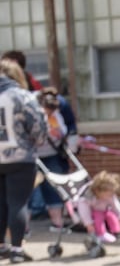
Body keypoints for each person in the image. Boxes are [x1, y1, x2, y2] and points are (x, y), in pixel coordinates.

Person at [0, 57, 47, 263]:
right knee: (17, 203)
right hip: (19, 156)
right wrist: (37, 141)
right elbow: (38, 127)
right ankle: (17, 249)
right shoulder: (22, 96)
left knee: (0, 203)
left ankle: (1, 245)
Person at [31, 86, 78, 231]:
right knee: (27, 190)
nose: (49, 114)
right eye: (47, 111)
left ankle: (57, 223)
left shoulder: (58, 111)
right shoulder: (31, 110)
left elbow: (67, 128)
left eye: (52, 111)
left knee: (53, 188)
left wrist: (63, 135)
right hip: (32, 155)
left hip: (52, 154)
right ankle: (22, 228)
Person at [85, 171, 120, 245]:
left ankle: (116, 232)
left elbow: (116, 206)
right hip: (93, 212)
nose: (110, 196)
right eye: (108, 194)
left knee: (112, 216)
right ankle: (101, 234)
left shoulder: (110, 196)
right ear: (98, 191)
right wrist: (88, 224)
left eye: (112, 193)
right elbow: (84, 212)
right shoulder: (88, 198)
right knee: (98, 218)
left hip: (105, 210)